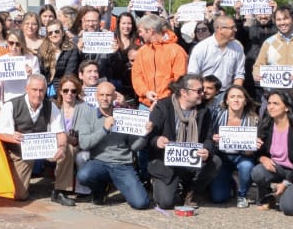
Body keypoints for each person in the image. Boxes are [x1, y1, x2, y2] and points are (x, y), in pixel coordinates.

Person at [72, 80, 151, 209]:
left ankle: (119, 183)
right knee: (83, 176)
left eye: (108, 95)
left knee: (141, 203)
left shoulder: (124, 116)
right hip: (99, 162)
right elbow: (84, 144)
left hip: (122, 164)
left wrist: (144, 134)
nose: (104, 98)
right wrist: (104, 130)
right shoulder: (88, 115)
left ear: (114, 97)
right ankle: (100, 189)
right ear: (96, 96)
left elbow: (134, 147)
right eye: (102, 95)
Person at [144, 73, 213, 210]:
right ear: (183, 92)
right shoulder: (163, 106)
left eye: (203, 91)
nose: (202, 94)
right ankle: (166, 184)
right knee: (166, 203)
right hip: (166, 161)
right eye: (198, 91)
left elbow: (209, 138)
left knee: (215, 162)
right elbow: (149, 135)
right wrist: (157, 140)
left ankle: (191, 190)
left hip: (191, 161)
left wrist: (207, 150)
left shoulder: (203, 111)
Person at [251, 6, 293, 125]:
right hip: (272, 99)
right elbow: (258, 65)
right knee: (268, 137)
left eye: (285, 19)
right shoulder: (268, 43)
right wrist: (256, 74)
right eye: (278, 20)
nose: (282, 23)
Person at [0, 74, 62, 200]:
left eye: (41, 90)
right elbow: (0, 133)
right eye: (34, 90)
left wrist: (63, 147)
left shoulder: (50, 106)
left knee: (67, 151)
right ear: (26, 89)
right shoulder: (11, 105)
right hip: (18, 152)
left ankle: (62, 190)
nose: (38, 94)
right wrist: (12, 137)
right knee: (19, 195)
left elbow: (60, 132)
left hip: (43, 148)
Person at [247, 90, 293, 214]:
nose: (271, 107)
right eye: (269, 103)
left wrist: (287, 182)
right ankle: (268, 197)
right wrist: (262, 158)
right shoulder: (266, 125)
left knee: (289, 209)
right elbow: (258, 152)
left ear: (287, 107)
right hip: (277, 168)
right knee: (258, 171)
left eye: (276, 104)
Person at [209, 84, 260, 206]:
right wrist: (213, 139)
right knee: (218, 198)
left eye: (240, 97)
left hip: (242, 156)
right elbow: (207, 137)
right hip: (222, 157)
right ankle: (232, 183)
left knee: (246, 166)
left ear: (245, 101)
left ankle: (242, 195)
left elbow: (253, 149)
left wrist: (253, 148)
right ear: (226, 100)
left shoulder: (254, 119)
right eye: (232, 97)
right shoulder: (217, 115)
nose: (236, 100)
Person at [48, 75, 92, 204]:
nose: (69, 94)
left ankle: (60, 191)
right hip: (54, 144)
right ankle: (61, 190)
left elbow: (85, 134)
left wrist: (67, 138)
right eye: (66, 90)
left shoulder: (84, 108)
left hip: (77, 145)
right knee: (67, 148)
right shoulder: (53, 107)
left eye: (73, 91)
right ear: (60, 91)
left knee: (69, 149)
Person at [131, 13, 187, 108]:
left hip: (169, 105)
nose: (139, 34)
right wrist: (146, 92)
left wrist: (161, 99)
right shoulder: (142, 51)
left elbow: (179, 79)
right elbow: (136, 76)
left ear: (150, 31)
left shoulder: (177, 51)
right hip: (145, 104)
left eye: (140, 31)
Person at [186, 15, 246, 90]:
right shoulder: (201, 48)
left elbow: (239, 74)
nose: (235, 30)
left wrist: (234, 92)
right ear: (220, 29)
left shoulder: (237, 47)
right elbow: (193, 75)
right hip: (205, 93)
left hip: (227, 94)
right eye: (232, 28)